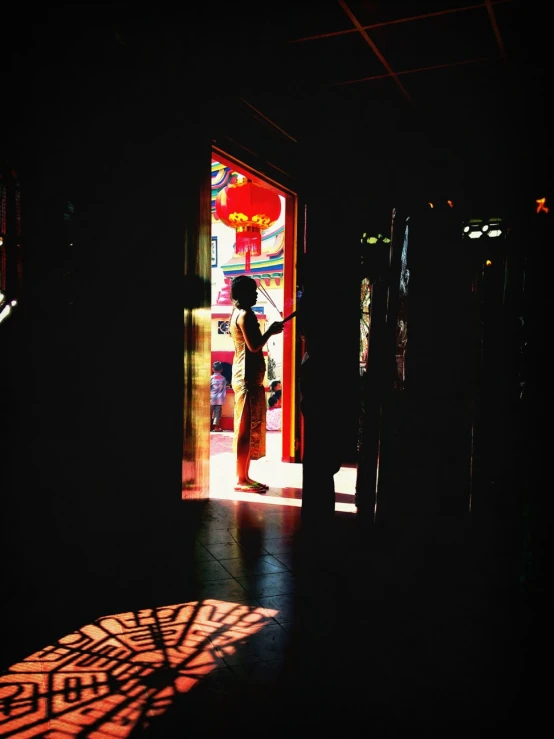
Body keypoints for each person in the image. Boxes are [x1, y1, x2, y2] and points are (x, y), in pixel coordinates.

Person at [230, 275, 284, 492]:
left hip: (246, 377)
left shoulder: (239, 313)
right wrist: (270, 331)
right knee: (244, 430)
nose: (255, 295)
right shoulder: (245, 316)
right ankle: (241, 480)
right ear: (241, 294)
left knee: (246, 428)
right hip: (246, 378)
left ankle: (245, 476)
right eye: (251, 291)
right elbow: (253, 346)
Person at [210, 361, 228, 432]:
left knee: (209, 413)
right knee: (217, 413)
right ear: (221, 370)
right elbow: (225, 387)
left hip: (211, 398)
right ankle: (216, 428)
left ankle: (208, 427)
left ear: (212, 369)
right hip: (219, 399)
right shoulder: (223, 379)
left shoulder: (211, 378)